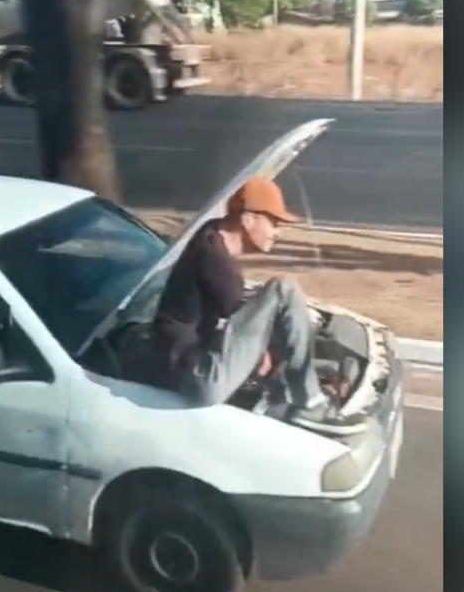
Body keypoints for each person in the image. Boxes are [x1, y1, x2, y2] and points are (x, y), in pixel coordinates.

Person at [152, 177, 369, 435]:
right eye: (274, 223)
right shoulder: (214, 261)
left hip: (193, 369)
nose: (278, 232)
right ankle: (308, 404)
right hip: (200, 377)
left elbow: (242, 320)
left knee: (276, 326)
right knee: (283, 289)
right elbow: (242, 314)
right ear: (248, 220)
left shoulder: (208, 240)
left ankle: (296, 389)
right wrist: (264, 351)